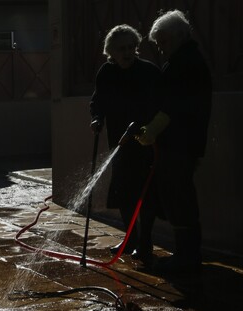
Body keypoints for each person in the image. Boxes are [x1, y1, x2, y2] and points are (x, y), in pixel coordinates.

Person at [136, 10, 212, 272]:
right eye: (158, 43)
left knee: (180, 196)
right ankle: (186, 253)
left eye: (163, 42)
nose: (160, 48)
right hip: (180, 142)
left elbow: (175, 105)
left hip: (181, 142)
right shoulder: (182, 59)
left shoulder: (186, 62)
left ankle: (187, 257)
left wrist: (154, 128)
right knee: (176, 194)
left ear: (179, 36)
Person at [90, 24, 162, 265]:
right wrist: (97, 118)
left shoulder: (149, 72)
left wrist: (146, 127)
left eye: (131, 47)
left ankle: (146, 242)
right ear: (111, 51)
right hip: (119, 143)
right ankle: (131, 238)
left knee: (146, 193)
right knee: (123, 192)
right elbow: (97, 101)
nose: (128, 52)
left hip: (145, 142)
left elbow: (159, 104)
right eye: (122, 48)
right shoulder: (107, 73)